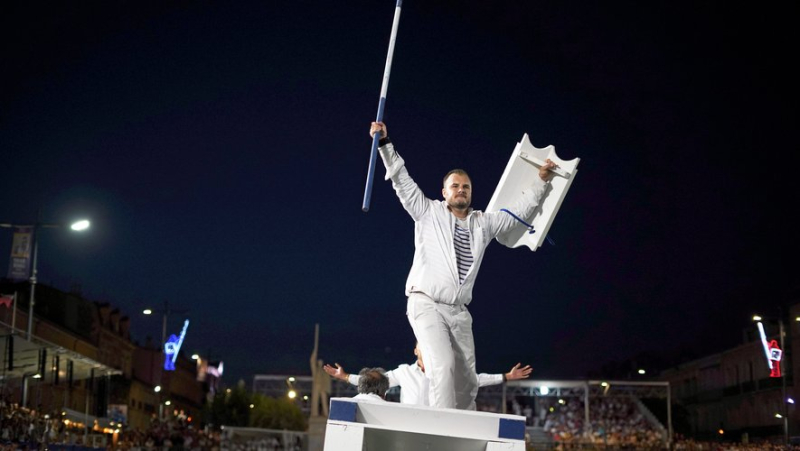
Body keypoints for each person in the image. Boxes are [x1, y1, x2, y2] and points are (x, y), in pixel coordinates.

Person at [369, 121, 554, 410]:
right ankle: (441, 429)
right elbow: (401, 181)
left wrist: (542, 180)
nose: (461, 190)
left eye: (465, 187)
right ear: (444, 192)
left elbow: (520, 210)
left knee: (467, 381)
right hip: (426, 303)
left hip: (458, 312)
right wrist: (385, 144)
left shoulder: (485, 223)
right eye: (454, 186)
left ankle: (461, 427)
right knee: (442, 365)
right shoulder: (427, 212)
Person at [323, 343, 532, 406]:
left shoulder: (445, 371)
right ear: (415, 350)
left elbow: (473, 379)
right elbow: (375, 381)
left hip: (436, 423)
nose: (425, 348)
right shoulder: (404, 371)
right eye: (420, 345)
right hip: (408, 425)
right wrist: (344, 376)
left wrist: (506, 376)